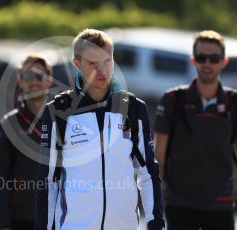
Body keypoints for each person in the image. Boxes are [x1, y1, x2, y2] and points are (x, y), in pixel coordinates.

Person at [35, 28, 164, 230]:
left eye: (107, 61)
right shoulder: (58, 111)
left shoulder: (134, 108)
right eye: (93, 63)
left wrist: (155, 223)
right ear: (77, 64)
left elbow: (148, 174)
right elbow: (48, 181)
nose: (102, 69)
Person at [154, 30, 237, 230]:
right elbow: (159, 156)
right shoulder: (173, 99)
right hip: (180, 203)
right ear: (193, 60)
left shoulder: (234, 101)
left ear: (223, 62)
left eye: (214, 58)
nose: (207, 63)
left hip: (222, 203)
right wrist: (155, 202)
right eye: (201, 57)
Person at [0, 54, 53, 230]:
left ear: (49, 80)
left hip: (57, 219)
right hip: (19, 220)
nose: (34, 82)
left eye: (39, 76)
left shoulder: (63, 122)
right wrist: (2, 224)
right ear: (20, 81)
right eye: (28, 77)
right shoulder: (8, 125)